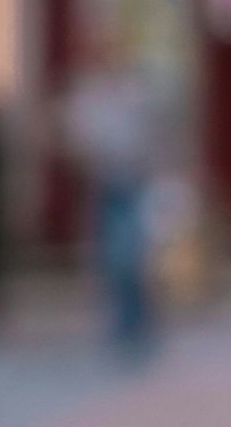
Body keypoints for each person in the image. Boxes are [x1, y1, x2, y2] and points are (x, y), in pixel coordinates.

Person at [63, 50, 165, 357]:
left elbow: (151, 135)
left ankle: (137, 321)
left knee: (131, 255)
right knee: (112, 258)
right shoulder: (91, 96)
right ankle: (123, 322)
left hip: (133, 181)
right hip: (104, 183)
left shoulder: (135, 93)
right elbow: (77, 139)